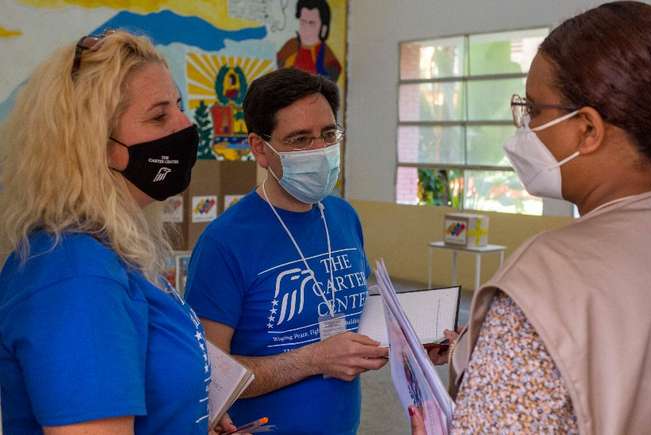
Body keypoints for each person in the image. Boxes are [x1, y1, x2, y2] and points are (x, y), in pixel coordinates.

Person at [413, 2, 651, 434]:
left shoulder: (548, 278)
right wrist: (485, 346)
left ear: (587, 128)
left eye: (533, 110)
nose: (524, 128)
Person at [0, 31, 241, 435]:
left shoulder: (110, 250)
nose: (184, 126)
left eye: (179, 107)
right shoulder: (77, 278)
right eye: (159, 115)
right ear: (94, 144)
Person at [185, 68, 388, 434]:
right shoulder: (225, 243)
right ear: (260, 149)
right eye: (300, 140)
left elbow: (354, 315)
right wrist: (313, 360)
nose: (320, 151)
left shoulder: (343, 216)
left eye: (328, 135)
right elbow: (207, 374)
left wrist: (414, 343)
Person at [276, 0, 342, 82]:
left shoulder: (327, 57)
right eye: (303, 22)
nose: (306, 29)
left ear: (323, 28)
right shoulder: (290, 47)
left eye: (311, 23)